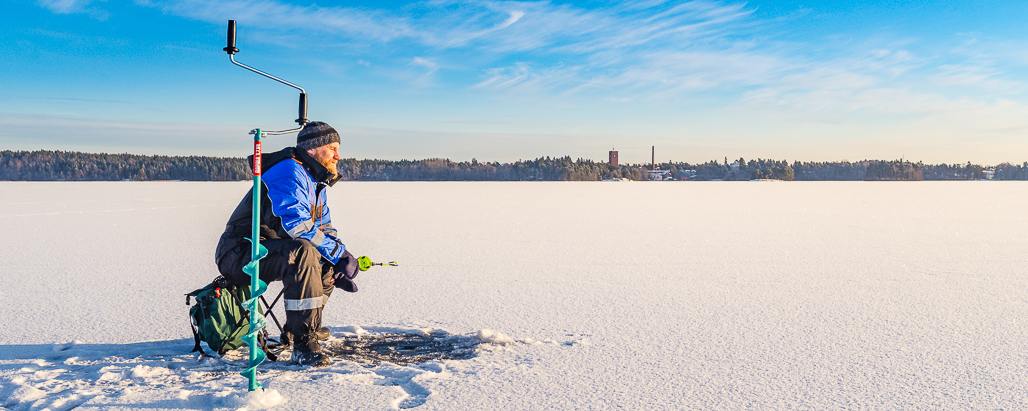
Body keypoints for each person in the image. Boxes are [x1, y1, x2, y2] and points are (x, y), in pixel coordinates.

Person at [215, 121, 361, 367]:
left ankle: (301, 328)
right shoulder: (289, 172)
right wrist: (339, 254)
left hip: (271, 250)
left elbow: (324, 227)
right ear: (313, 149)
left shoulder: (315, 181)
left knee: (323, 258)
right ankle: (304, 344)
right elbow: (297, 225)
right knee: (304, 252)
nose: (338, 155)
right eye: (332, 148)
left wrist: (339, 256)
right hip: (240, 252)